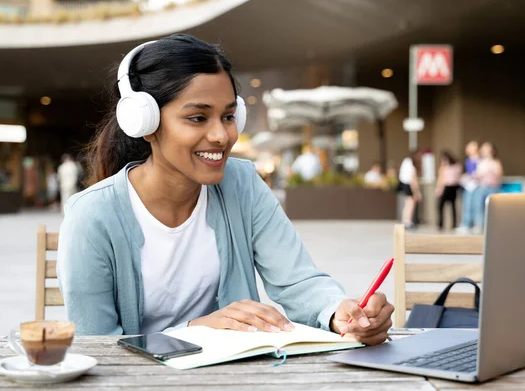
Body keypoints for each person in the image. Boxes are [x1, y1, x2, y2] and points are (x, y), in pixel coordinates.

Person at [57, 34, 393, 345]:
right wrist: (194, 331)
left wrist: (341, 313)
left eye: (229, 116)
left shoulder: (243, 183)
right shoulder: (91, 215)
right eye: (198, 118)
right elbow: (95, 344)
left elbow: (297, 281)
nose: (221, 136)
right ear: (144, 123)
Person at [471, 142, 503, 234]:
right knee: (479, 207)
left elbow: (499, 174)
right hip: (482, 187)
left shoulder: (495, 162)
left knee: (493, 208)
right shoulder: (481, 162)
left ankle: (493, 226)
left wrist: (491, 170)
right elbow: (478, 175)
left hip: (493, 187)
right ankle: (479, 225)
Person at [456, 141, 480, 234]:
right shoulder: (468, 160)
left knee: (476, 206)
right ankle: (465, 224)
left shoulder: (480, 160)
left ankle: (476, 224)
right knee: (467, 205)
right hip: (469, 185)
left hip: (477, 185)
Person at [435, 150, 462, 231]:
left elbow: (458, 177)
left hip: (452, 187)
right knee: (440, 206)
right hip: (445, 187)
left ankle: (453, 225)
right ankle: (440, 224)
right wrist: (439, 188)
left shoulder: (456, 166)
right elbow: (440, 179)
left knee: (453, 207)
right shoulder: (443, 168)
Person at [399, 151, 421, 229]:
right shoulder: (412, 165)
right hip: (409, 186)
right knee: (410, 204)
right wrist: (417, 192)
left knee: (407, 204)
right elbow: (413, 181)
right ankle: (408, 221)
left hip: (405, 185)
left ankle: (404, 220)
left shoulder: (406, 162)